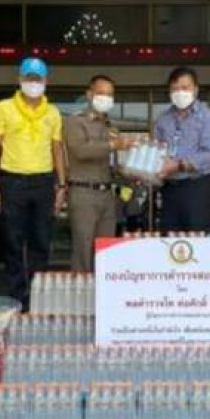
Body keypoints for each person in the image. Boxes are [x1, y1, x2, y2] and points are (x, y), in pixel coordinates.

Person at [0, 57, 66, 311]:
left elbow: (57, 149)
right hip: (13, 181)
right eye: (29, 78)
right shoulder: (4, 108)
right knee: (12, 242)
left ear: (46, 81)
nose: (33, 83)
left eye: (38, 79)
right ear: (20, 80)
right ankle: (16, 299)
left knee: (41, 242)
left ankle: (38, 299)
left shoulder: (53, 112)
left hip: (43, 182)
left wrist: (62, 185)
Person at [64, 75, 133, 272]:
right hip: (83, 192)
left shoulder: (110, 126)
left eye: (110, 94)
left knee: (106, 250)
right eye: (101, 93)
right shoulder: (75, 121)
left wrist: (133, 170)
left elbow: (112, 162)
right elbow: (80, 150)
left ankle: (102, 291)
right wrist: (113, 145)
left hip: (107, 194)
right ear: (89, 94)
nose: (106, 98)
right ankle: (81, 291)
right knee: (83, 250)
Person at [154, 67, 210, 233]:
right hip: (169, 188)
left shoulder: (209, 117)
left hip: (197, 187)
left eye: (185, 88)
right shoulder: (163, 119)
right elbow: (156, 150)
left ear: (196, 89)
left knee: (196, 238)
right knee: (169, 239)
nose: (180, 92)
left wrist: (178, 165)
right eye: (175, 89)